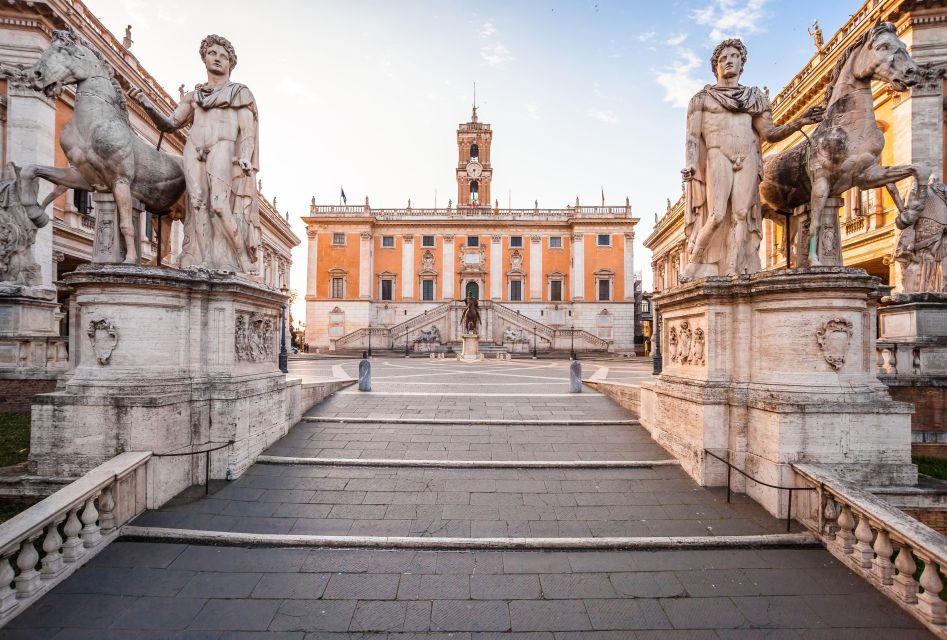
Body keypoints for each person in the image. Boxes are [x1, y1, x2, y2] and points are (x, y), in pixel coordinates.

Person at [680, 39, 823, 281]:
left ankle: (733, 269)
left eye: (734, 56)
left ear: (742, 63)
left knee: (741, 214)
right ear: (715, 65)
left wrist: (800, 121)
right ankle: (694, 264)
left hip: (746, 155)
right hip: (717, 154)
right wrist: (691, 164)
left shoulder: (754, 98)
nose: (729, 61)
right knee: (716, 215)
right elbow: (692, 138)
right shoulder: (701, 99)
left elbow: (770, 134)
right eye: (723, 58)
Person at [130, 34, 260, 273]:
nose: (218, 59)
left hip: (224, 146)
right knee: (197, 203)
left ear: (231, 63)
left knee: (220, 204)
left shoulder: (239, 93)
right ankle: (205, 260)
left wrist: (245, 155)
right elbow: (170, 124)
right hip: (194, 148)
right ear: (204, 58)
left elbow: (248, 131)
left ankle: (243, 259)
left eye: (224, 56)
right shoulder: (194, 96)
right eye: (212, 53)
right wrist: (147, 105)